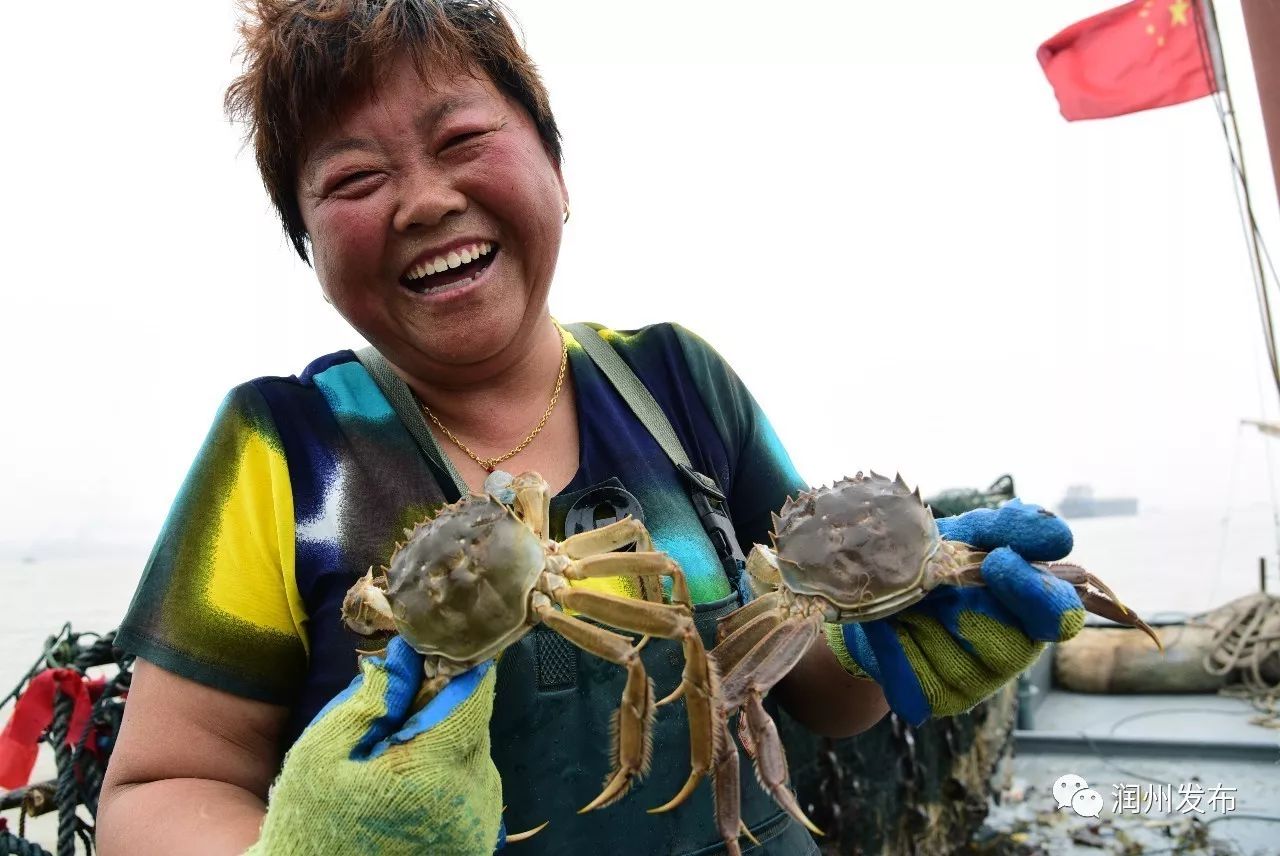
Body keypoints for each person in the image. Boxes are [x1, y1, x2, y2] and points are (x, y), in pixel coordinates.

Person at [96, 2, 1091, 854]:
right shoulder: (280, 447)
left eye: (462, 140)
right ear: (306, 243)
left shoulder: (676, 381)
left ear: (556, 167)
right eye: (353, 180)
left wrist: (887, 641)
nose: (425, 200)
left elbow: (822, 688)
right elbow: (149, 795)